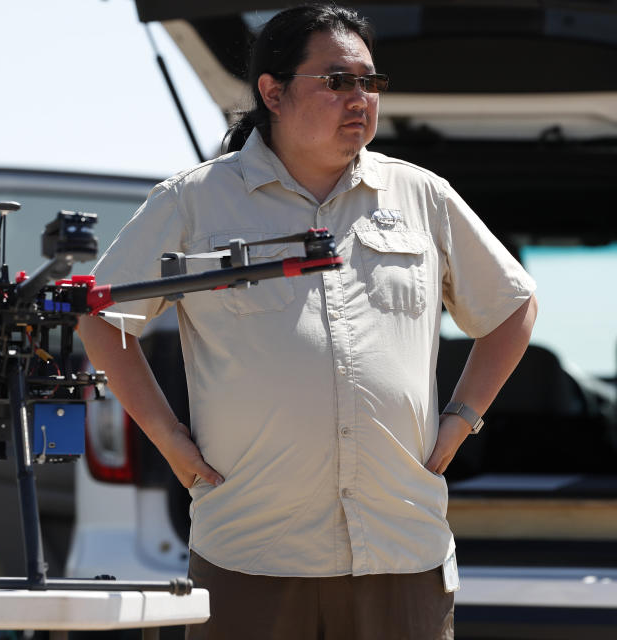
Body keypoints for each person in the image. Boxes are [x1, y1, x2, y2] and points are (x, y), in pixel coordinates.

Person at [77, 4, 537, 639]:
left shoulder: (422, 196)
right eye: (338, 80)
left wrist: (461, 421)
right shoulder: (193, 201)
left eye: (370, 83)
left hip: (401, 548)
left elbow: (514, 306)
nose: (361, 99)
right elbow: (100, 316)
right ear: (273, 91)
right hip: (250, 550)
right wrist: (170, 441)